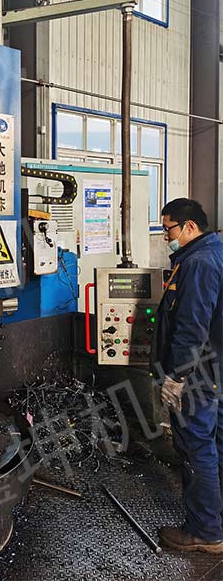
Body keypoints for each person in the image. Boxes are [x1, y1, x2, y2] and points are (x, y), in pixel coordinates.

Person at [150, 198, 223, 553]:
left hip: (197, 375)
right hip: (215, 370)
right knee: (216, 444)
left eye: (169, 230)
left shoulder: (198, 262)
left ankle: (205, 531)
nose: (167, 237)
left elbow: (191, 327)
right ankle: (216, 518)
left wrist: (176, 377)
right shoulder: (215, 252)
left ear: (190, 226)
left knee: (196, 448)